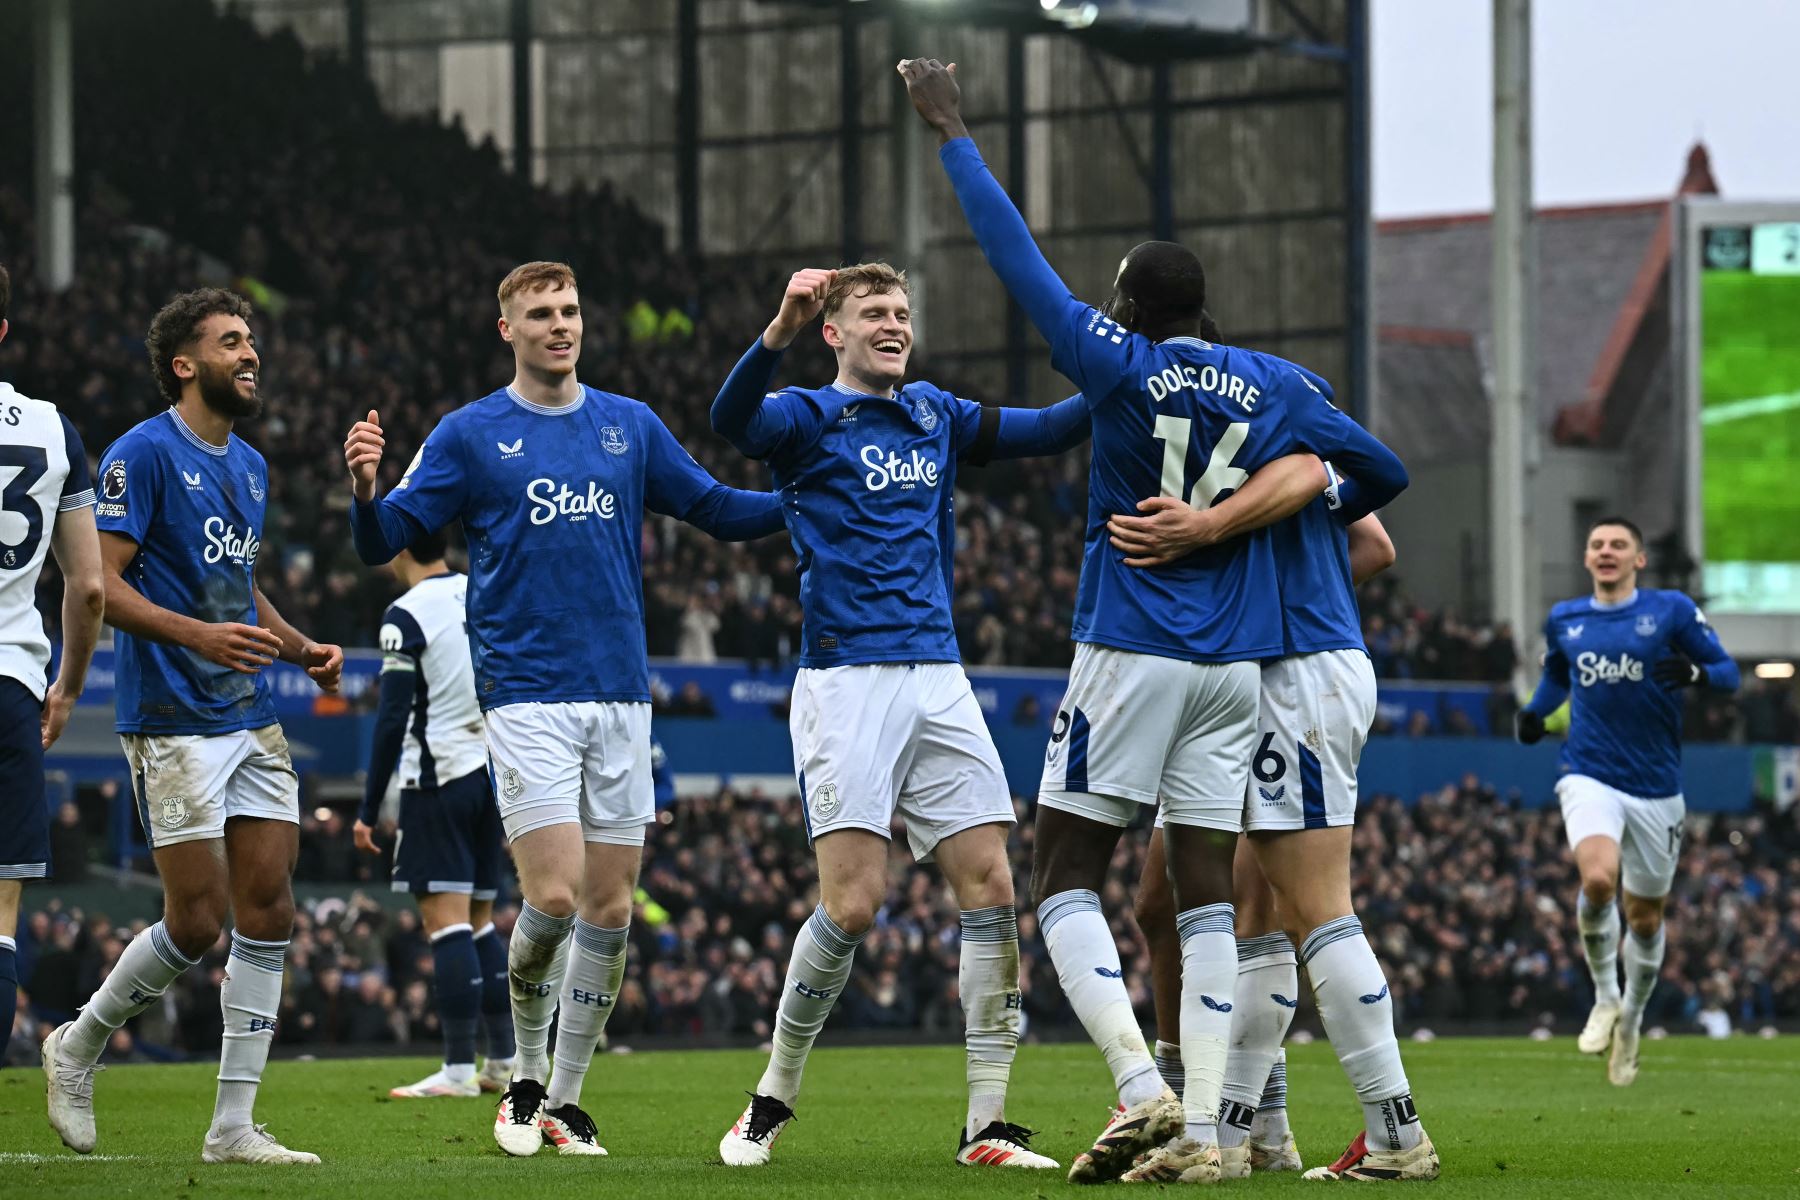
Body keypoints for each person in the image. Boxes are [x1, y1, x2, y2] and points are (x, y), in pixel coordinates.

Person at [900, 57, 1411, 1186]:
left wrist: (952, 131)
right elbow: (1378, 473)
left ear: (1130, 306)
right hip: (1238, 667)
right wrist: (1270, 505)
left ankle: (1150, 1089)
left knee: (1064, 874)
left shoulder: (1115, 364)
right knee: (1202, 890)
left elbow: (1014, 259)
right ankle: (1221, 1137)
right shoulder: (1275, 380)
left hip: (1132, 644)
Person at [344, 260, 785, 1158]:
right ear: (505, 328)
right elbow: (379, 541)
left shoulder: (629, 425)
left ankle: (565, 1099)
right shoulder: (469, 435)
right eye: (540, 313)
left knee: (612, 910)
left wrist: (813, 499)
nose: (560, 325)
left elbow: (714, 508)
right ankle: (524, 1076)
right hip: (526, 697)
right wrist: (364, 489)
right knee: (549, 895)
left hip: (622, 693)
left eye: (571, 310)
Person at [709, 263, 1095, 1170]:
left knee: (994, 887)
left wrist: (1121, 376)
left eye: (903, 313)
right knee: (852, 905)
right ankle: (770, 1099)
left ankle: (986, 1126)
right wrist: (777, 331)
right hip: (847, 679)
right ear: (834, 332)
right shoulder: (806, 415)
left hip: (939, 675)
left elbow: (1045, 430)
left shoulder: (936, 412)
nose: (894, 324)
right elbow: (732, 424)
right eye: (874, 313)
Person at [43, 288, 344, 1164]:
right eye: (231, 342)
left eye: (253, 340)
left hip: (249, 712)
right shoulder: (142, 454)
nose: (251, 353)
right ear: (186, 364)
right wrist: (199, 635)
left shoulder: (249, 465)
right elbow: (103, 583)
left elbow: (235, 584)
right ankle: (80, 1043)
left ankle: (232, 1128)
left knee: (270, 907)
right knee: (198, 922)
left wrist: (296, 647)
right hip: (170, 716)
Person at [1126, 444, 1436, 1181]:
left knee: (1301, 909)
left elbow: (1377, 546)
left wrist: (1288, 604)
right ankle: (1245, 1133)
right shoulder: (1248, 448)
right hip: (1236, 681)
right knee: (1178, 901)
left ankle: (1388, 1133)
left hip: (1287, 674)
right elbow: (1372, 544)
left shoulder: (1277, 456)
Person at [1516, 516, 1738, 1086]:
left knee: (1644, 916)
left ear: (1639, 559)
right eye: (1597, 544)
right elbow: (1557, 679)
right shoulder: (1566, 619)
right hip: (1589, 773)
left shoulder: (1670, 611)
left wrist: (1694, 671)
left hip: (1658, 787)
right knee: (1596, 880)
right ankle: (1606, 997)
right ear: (1587, 558)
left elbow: (1728, 672)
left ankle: (1633, 1020)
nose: (1607, 551)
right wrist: (1536, 714)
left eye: (1619, 545)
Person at [351, 525, 515, 1099]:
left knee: (445, 925)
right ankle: (503, 1061)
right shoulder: (481, 591)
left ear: (398, 547)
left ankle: (454, 1071)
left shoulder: (405, 614)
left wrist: (369, 809)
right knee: (480, 923)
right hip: (492, 774)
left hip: (438, 778)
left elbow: (393, 718)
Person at [0, 262, 107, 1062]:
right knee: (1, 923)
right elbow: (90, 586)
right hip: (13, 685)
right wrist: (66, 689)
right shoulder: (50, 426)